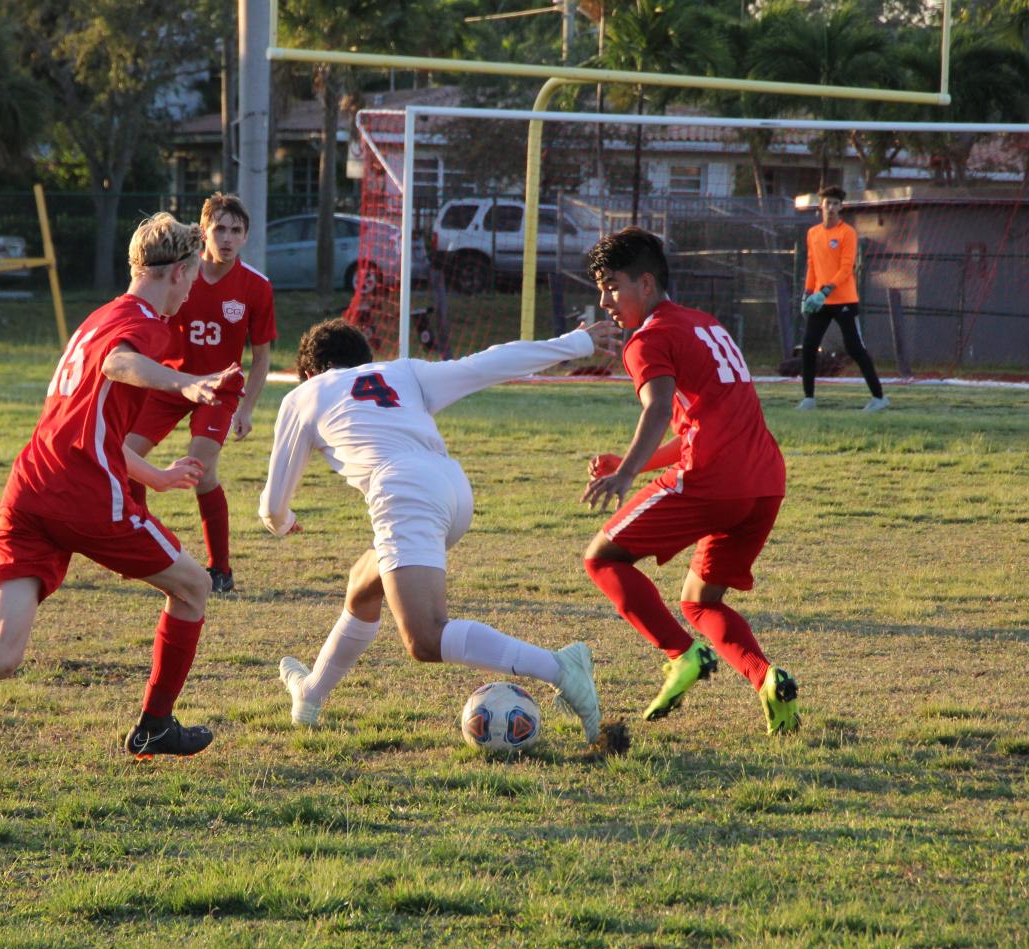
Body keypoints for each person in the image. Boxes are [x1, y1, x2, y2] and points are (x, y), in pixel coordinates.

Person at [0, 213, 243, 768]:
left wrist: (157, 477)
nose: (192, 289)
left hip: (30, 488)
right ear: (175, 272)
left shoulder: (98, 317)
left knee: (5, 649)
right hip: (82, 495)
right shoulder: (146, 325)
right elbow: (120, 364)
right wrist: (185, 383)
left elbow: (91, 423)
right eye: (192, 278)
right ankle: (154, 726)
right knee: (195, 587)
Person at [258, 318, 606, 744]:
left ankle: (560, 666)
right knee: (362, 586)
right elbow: (488, 363)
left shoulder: (303, 395)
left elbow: (273, 505)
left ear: (310, 372)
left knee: (424, 638)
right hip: (453, 490)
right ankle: (310, 693)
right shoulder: (402, 371)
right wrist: (575, 341)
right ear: (367, 362)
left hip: (404, 492)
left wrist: (283, 522)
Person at [580, 227, 800, 735]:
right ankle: (769, 680)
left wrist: (628, 472)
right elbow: (705, 424)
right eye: (601, 287)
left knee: (602, 558)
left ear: (647, 283)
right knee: (700, 601)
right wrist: (635, 462)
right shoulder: (706, 325)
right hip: (764, 483)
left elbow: (658, 407)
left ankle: (682, 655)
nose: (604, 300)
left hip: (711, 482)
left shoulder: (649, 339)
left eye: (613, 286)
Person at [126, 193, 276, 594]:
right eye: (220, 229)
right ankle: (140, 548)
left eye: (236, 231)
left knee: (200, 470)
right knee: (122, 455)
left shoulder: (256, 286)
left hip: (219, 390)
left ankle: (220, 570)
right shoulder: (177, 274)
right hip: (168, 384)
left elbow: (261, 358)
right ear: (203, 230)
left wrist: (247, 409)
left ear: (246, 236)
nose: (227, 238)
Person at [797, 185, 889, 412]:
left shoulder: (847, 233)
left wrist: (825, 291)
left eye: (835, 204)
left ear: (841, 207)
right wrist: (807, 293)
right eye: (827, 203)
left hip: (844, 301)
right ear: (821, 206)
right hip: (819, 301)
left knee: (855, 347)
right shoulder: (813, 233)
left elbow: (846, 268)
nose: (831, 208)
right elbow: (811, 265)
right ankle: (809, 398)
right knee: (809, 346)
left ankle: (879, 397)